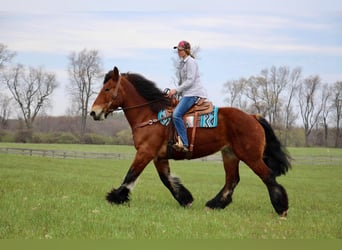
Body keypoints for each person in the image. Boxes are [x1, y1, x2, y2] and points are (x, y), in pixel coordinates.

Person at [167, 40, 207, 152]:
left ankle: (184, 143)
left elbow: (190, 81)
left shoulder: (191, 62)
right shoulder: (182, 63)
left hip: (193, 93)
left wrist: (176, 90)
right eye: (178, 50)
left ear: (186, 50)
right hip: (186, 94)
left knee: (176, 114)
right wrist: (175, 93)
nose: (178, 52)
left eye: (180, 50)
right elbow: (182, 82)